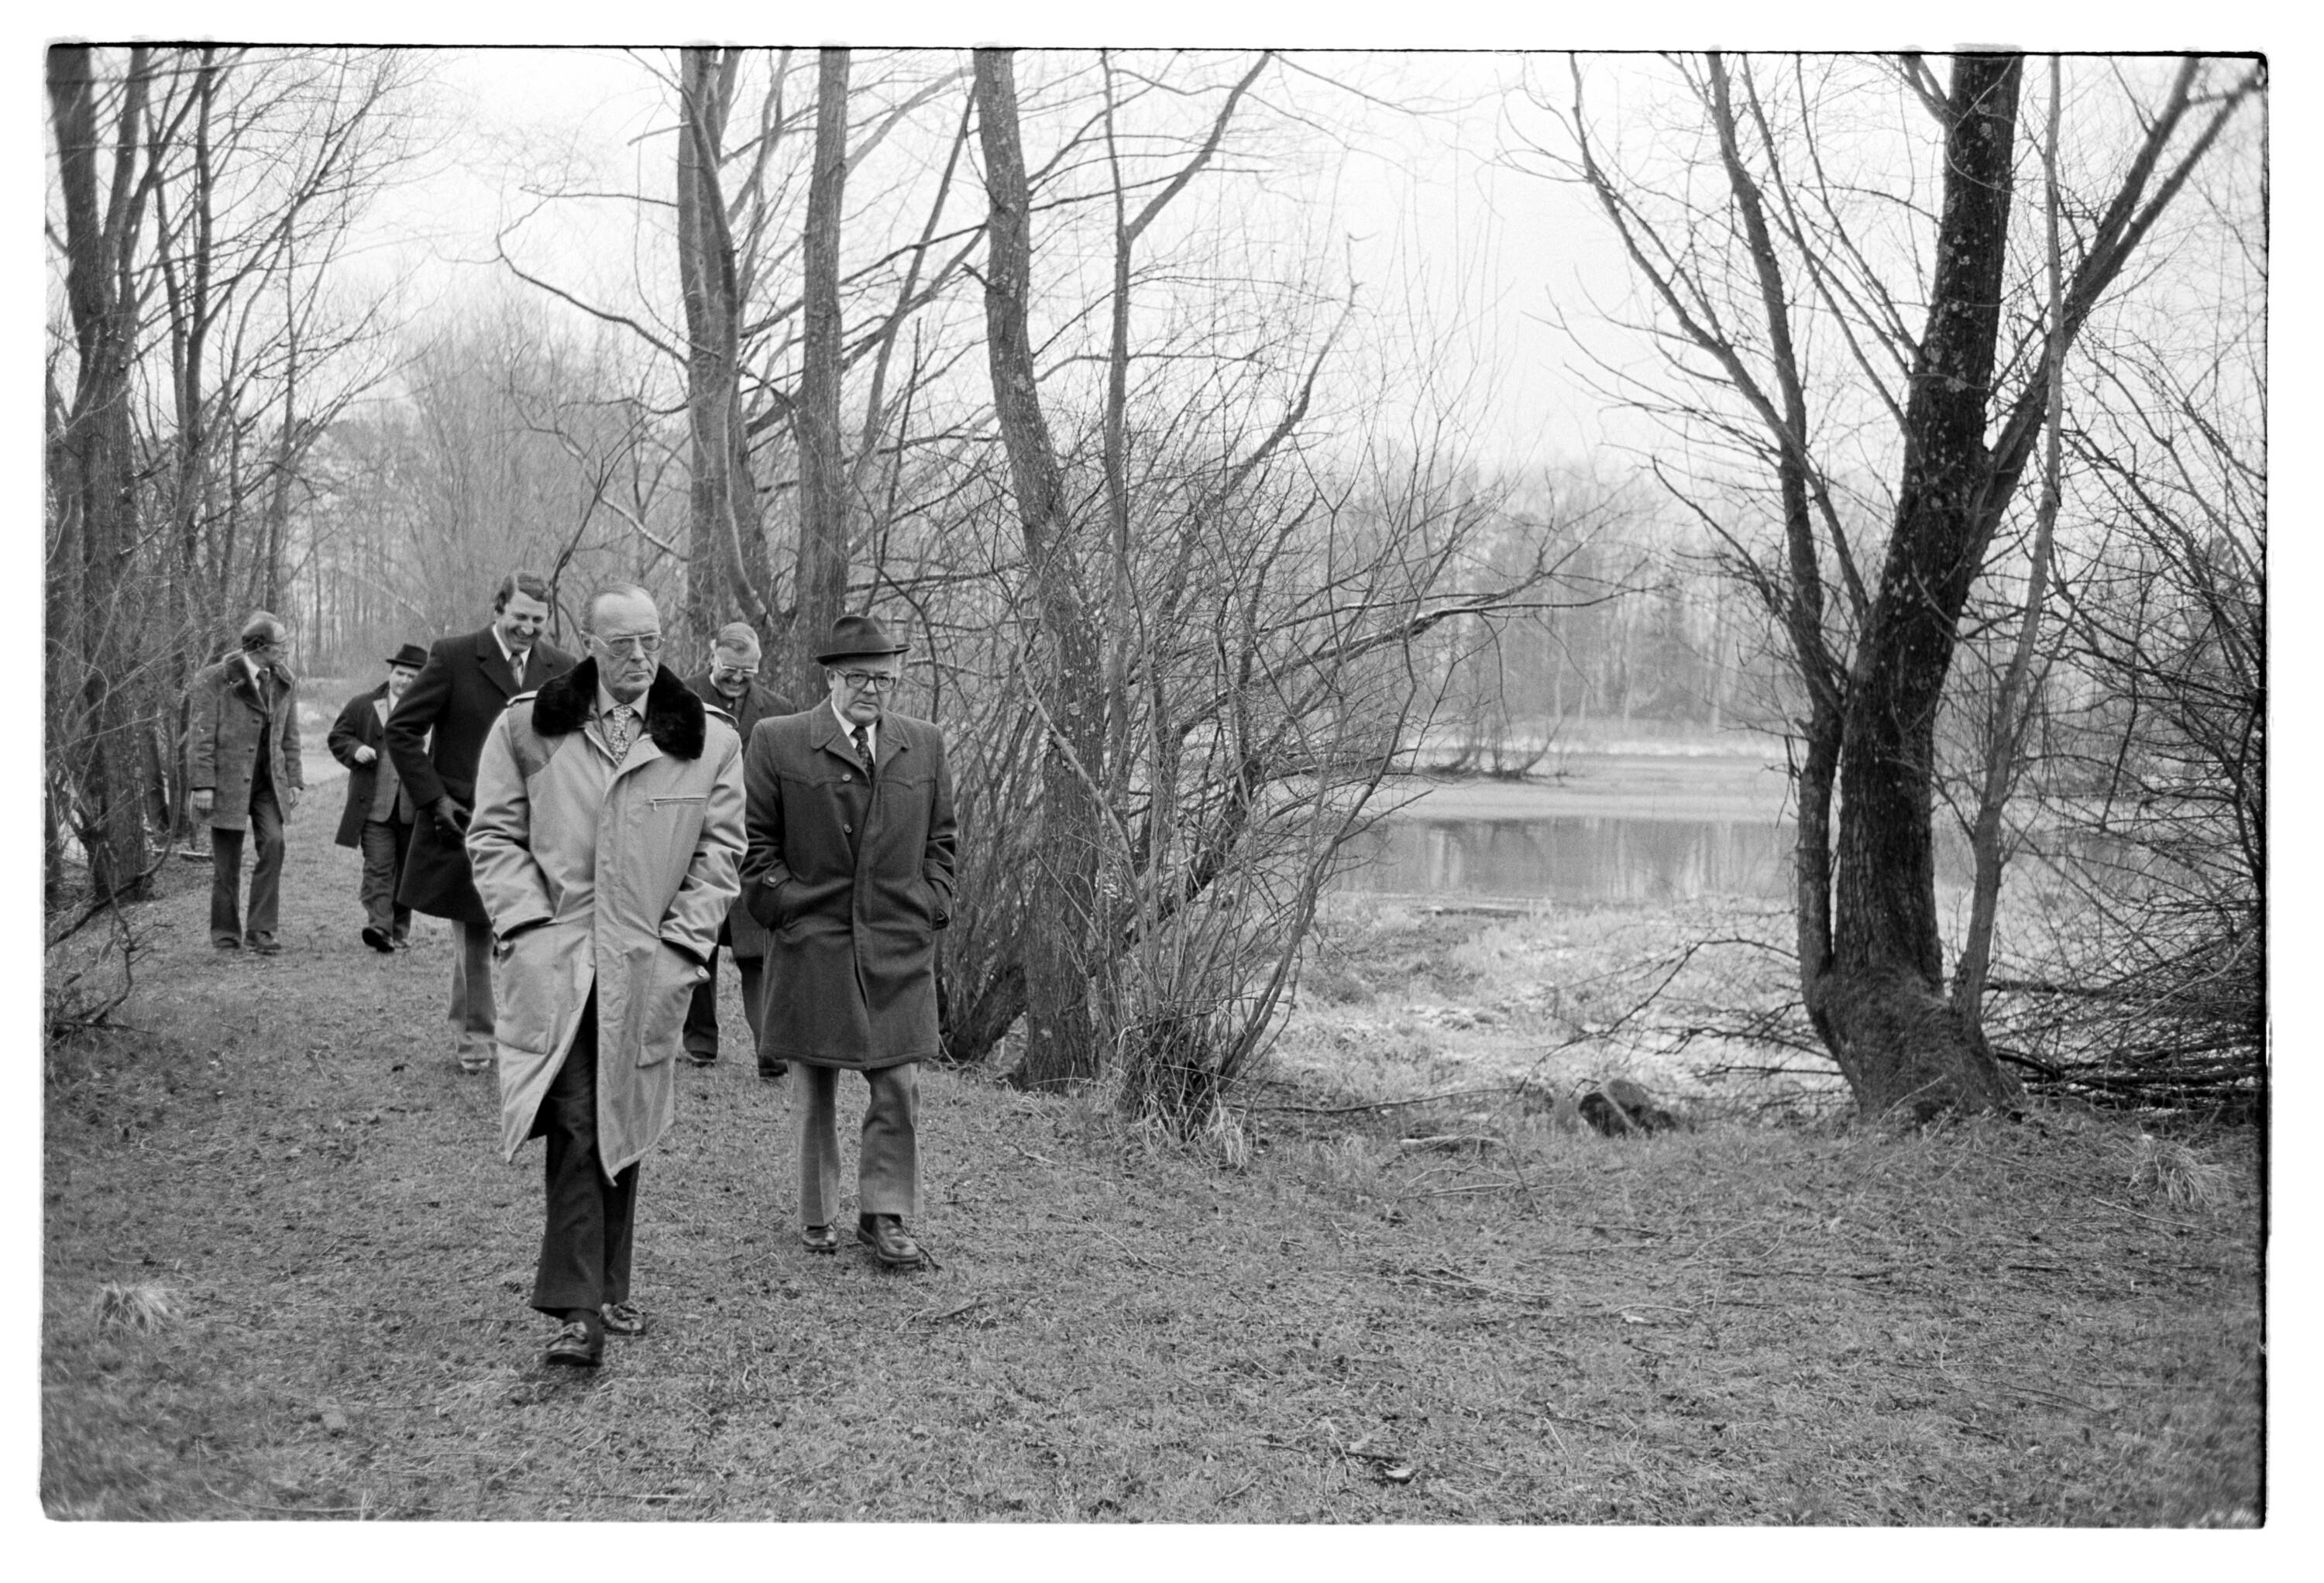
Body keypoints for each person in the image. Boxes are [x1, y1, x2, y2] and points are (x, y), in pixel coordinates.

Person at [468, 582, 744, 1368]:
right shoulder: (529, 726)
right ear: (589, 644)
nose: (641, 658)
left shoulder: (709, 740)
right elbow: (493, 836)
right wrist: (526, 925)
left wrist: (684, 950)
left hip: (648, 965)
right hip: (559, 960)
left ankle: (608, 1286)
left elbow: (720, 856)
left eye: (652, 641)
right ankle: (577, 1309)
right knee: (579, 1120)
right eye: (623, 644)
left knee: (621, 1117)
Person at [742, 613, 956, 1271]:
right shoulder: (778, 741)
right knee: (815, 1085)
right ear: (831, 678)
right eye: (860, 678)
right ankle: (818, 1213)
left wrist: (932, 902)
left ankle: (884, 1216)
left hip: (897, 940)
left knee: (898, 1083)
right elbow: (754, 844)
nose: (873, 691)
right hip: (815, 939)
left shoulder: (924, 744)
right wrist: (785, 908)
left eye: (884, 680)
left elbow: (943, 840)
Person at [386, 572, 577, 1073]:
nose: (528, 629)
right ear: (498, 609)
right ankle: (476, 1037)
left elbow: (577, 743)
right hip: (467, 822)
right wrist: (435, 800)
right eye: (519, 617)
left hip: (540, 826)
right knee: (474, 933)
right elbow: (402, 730)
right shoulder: (453, 657)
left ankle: (529, 1030)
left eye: (538, 620)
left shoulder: (562, 668)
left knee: (532, 933)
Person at [679, 622, 798, 1075]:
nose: (737, 678)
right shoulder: (681, 698)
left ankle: (771, 1051)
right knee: (697, 945)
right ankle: (700, 1045)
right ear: (712, 654)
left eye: (747, 671)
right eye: (730, 668)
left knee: (758, 954)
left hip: (755, 849)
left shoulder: (779, 711)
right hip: (694, 843)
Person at [187, 612, 304, 954]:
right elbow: (200, 738)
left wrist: (294, 780)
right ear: (259, 647)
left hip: (269, 783)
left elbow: (290, 735)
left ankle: (261, 930)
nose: (285, 651)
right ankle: (225, 934)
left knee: (274, 844)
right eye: (280, 645)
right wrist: (202, 785)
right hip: (227, 784)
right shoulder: (214, 679)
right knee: (227, 863)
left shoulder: (284, 680)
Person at [327, 642, 428, 952]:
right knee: (378, 868)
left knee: (406, 872)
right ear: (391, 672)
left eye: (413, 677)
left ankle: (399, 931)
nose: (405, 681)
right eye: (400, 674)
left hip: (414, 807)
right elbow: (338, 737)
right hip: (373, 807)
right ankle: (379, 928)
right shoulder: (364, 705)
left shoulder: (431, 709)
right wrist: (355, 749)